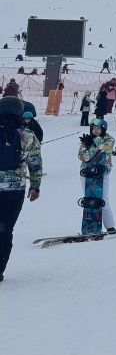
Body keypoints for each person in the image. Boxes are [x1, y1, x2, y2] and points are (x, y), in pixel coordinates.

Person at [0, 95, 42, 282]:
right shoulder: (28, 135)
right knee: (5, 229)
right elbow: (35, 163)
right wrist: (35, 186)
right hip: (15, 189)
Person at [79, 119, 116, 233]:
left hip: (101, 174)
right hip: (87, 174)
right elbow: (83, 157)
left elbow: (105, 148)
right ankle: (89, 225)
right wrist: (90, 144)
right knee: (90, 199)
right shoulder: (87, 140)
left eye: (98, 129)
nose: (95, 131)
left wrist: (95, 142)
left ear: (103, 129)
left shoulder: (109, 139)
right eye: (93, 129)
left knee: (103, 199)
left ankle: (110, 226)